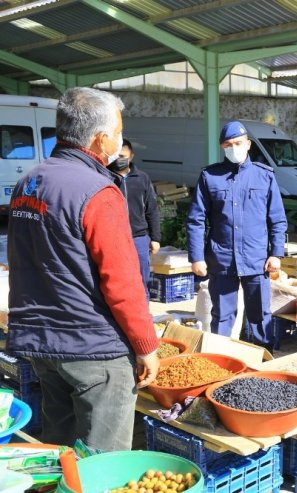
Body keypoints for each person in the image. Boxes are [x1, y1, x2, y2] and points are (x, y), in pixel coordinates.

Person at [7, 87, 159, 450]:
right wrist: (145, 345)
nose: (120, 141)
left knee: (61, 448)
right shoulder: (98, 191)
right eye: (118, 132)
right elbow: (122, 282)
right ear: (101, 138)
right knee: (102, 460)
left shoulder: (27, 182)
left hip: (43, 343)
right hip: (92, 347)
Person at [186, 121, 287, 348]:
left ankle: (264, 364)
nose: (234, 148)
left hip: (257, 260)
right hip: (222, 260)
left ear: (248, 144)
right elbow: (196, 220)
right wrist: (197, 257)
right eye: (229, 144)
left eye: (239, 143)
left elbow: (277, 219)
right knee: (221, 316)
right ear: (222, 146)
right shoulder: (210, 176)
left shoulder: (264, 176)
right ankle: (219, 364)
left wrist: (277, 254)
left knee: (260, 316)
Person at [108, 138, 161, 298]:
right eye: (117, 156)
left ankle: (143, 313)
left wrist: (155, 238)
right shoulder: (105, 177)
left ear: (131, 156)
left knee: (141, 279)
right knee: (116, 280)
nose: (120, 160)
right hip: (113, 238)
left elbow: (152, 209)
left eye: (123, 156)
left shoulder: (142, 178)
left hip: (138, 238)